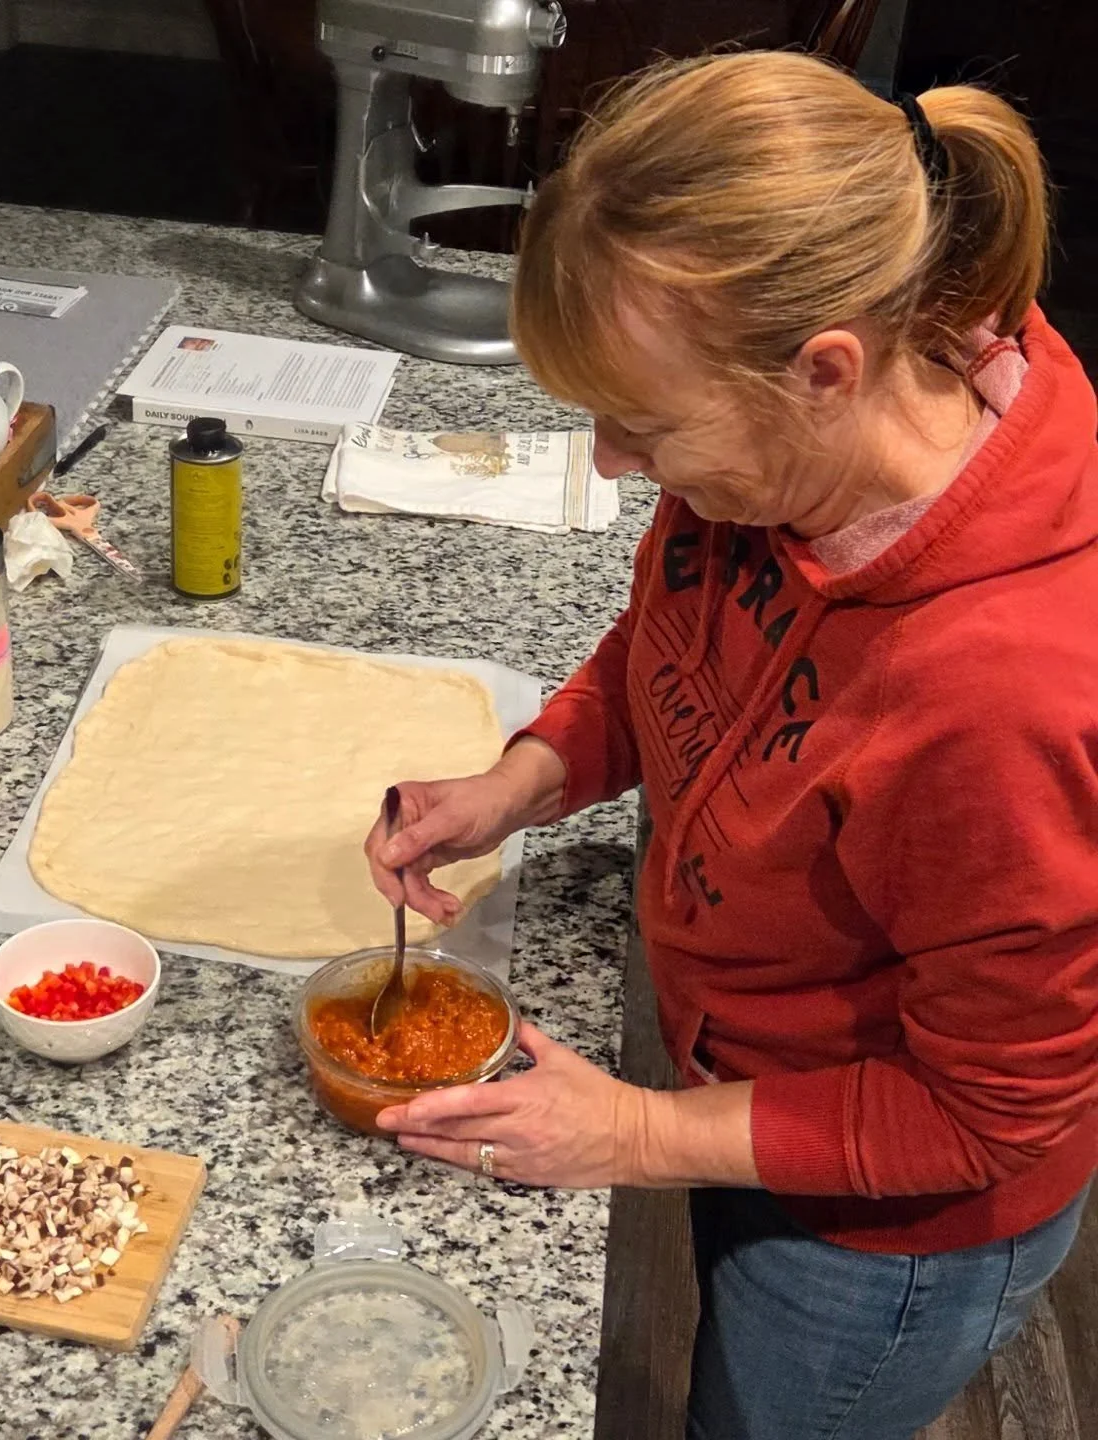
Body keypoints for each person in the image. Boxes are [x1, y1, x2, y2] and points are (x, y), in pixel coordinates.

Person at [365, 50, 1098, 1440]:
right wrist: (526, 778)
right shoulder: (795, 440)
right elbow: (674, 645)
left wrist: (635, 1136)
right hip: (750, 1088)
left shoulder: (1009, 697)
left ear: (824, 371)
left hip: (890, 1240)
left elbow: (981, 1112)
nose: (613, 466)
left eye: (640, 429)